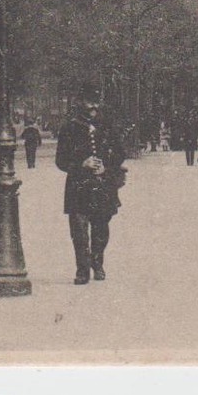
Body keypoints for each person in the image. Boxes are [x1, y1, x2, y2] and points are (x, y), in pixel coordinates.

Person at [56, 86, 127, 285]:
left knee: (101, 228)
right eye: (89, 102)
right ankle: (82, 269)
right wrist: (81, 163)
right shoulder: (69, 127)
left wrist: (106, 166)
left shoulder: (107, 126)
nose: (93, 107)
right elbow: (60, 160)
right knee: (78, 230)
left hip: (103, 185)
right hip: (79, 186)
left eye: (96, 102)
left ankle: (97, 263)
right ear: (80, 104)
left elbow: (121, 152)